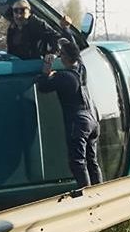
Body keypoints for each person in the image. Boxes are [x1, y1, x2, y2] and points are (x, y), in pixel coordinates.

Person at [36, 39, 103, 188]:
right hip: (92, 119)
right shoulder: (82, 70)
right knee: (92, 160)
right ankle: (100, 190)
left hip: (78, 122)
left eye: (61, 54)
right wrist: (66, 37)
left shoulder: (64, 77)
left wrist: (47, 65)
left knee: (77, 161)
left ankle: (87, 194)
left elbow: (42, 86)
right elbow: (77, 55)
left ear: (65, 58)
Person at [6, 0, 75, 59]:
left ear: (29, 12)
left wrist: (52, 54)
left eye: (22, 11)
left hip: (35, 65)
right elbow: (10, 50)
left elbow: (56, 38)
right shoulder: (12, 28)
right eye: (15, 11)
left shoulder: (38, 24)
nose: (19, 15)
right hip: (16, 65)